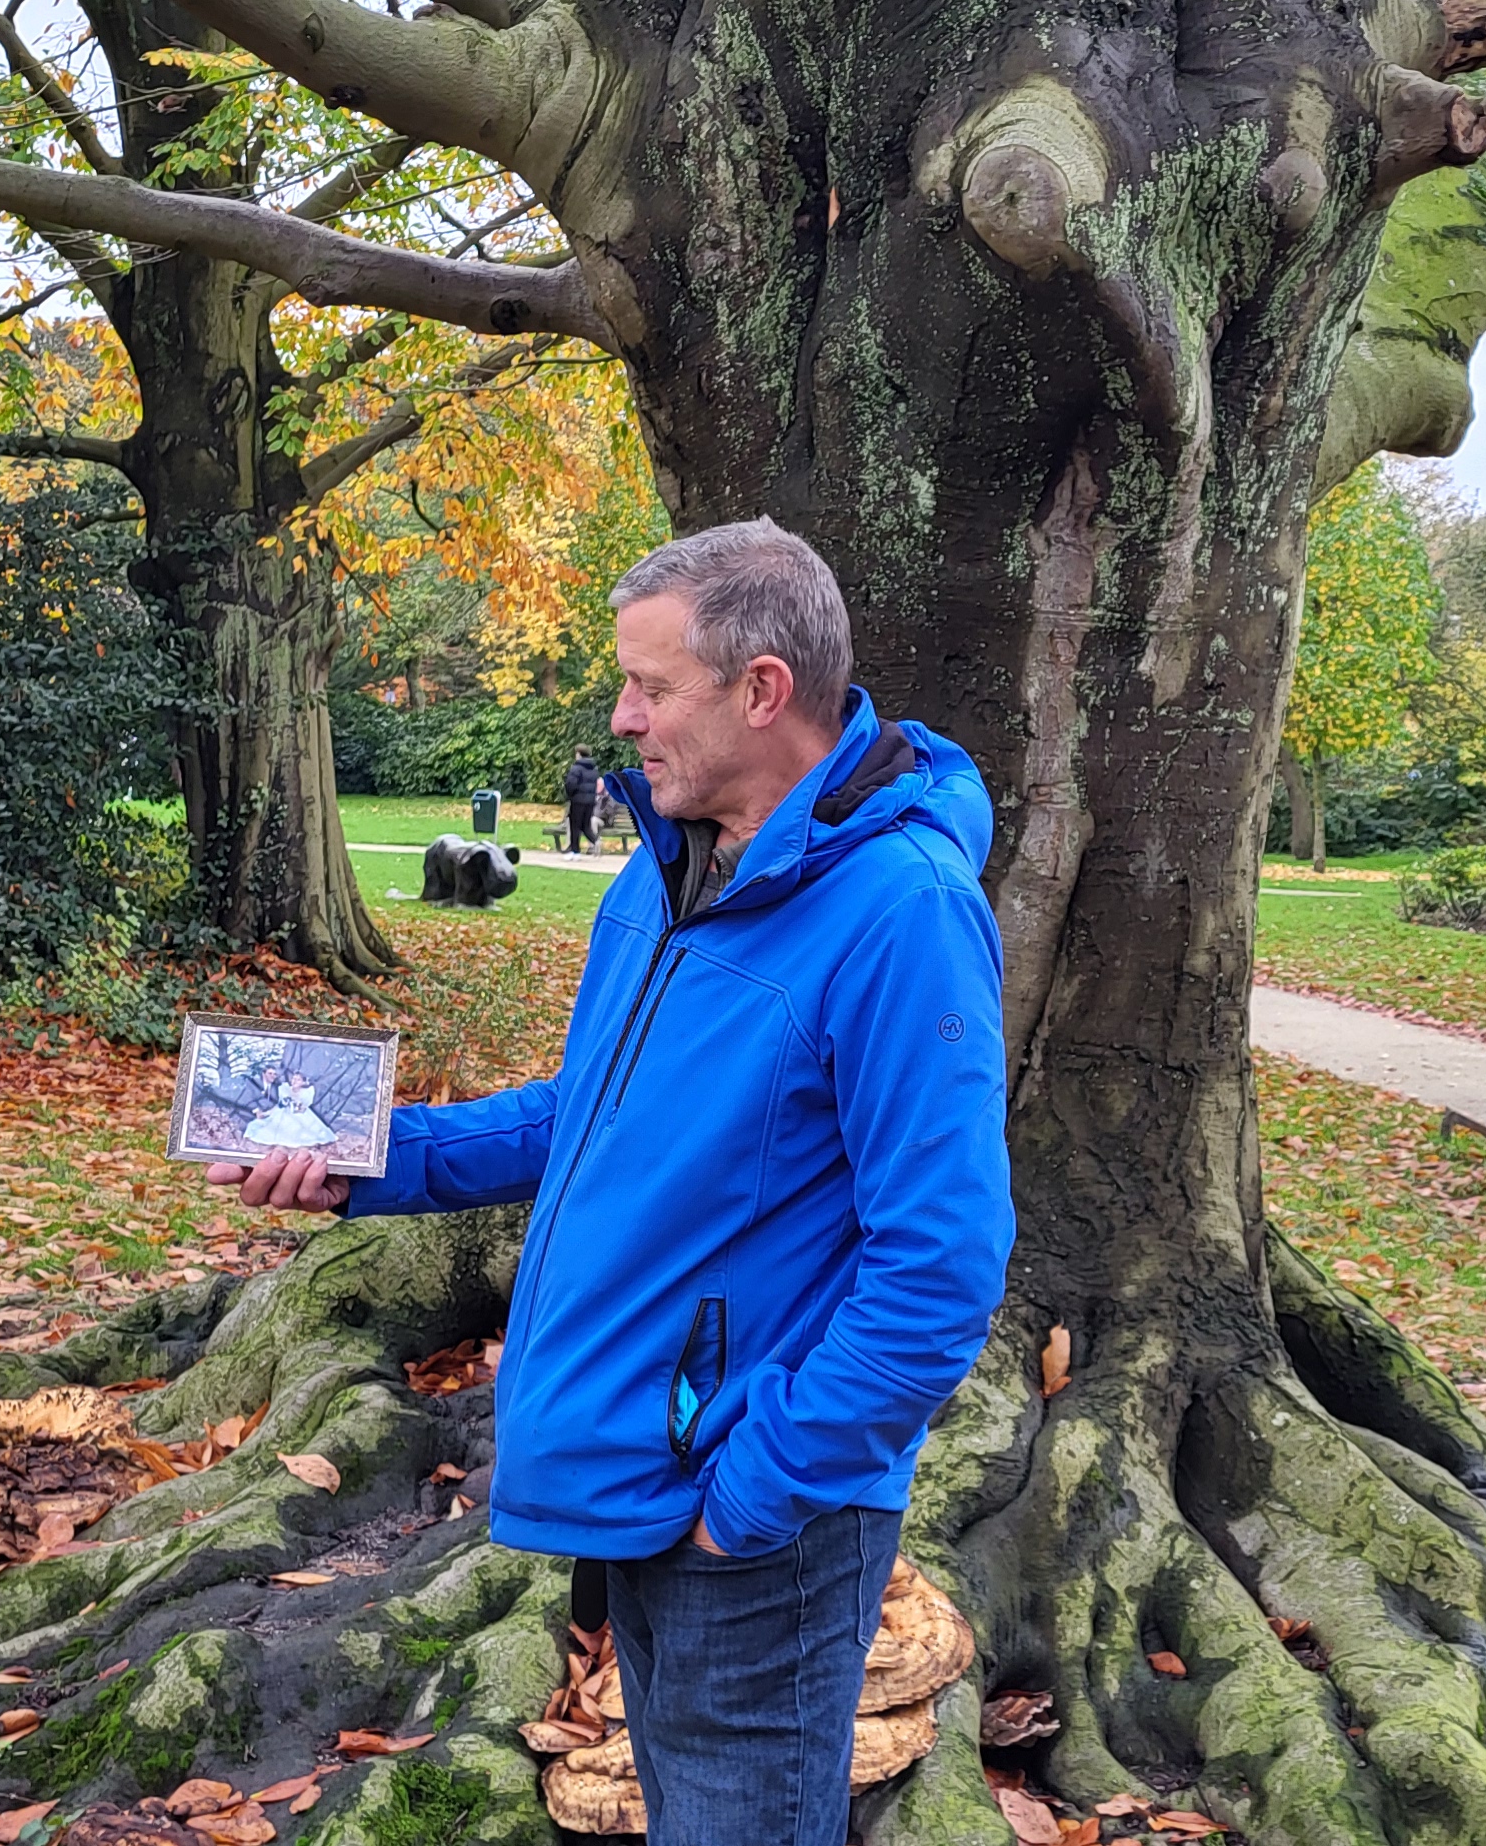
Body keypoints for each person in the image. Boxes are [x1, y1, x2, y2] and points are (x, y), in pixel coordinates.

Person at [207, 518, 1011, 1845]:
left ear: (761, 691)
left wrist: (751, 1498)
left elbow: (941, 1269)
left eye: (651, 685)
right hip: (648, 1471)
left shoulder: (901, 913)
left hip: (754, 1508)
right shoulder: (667, 872)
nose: (623, 717)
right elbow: (593, 1118)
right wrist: (369, 1160)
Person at [561, 745, 606, 854]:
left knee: (575, 826)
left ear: (578, 754)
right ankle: (596, 840)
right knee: (585, 826)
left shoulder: (576, 768)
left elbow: (571, 784)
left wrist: (569, 795)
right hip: (590, 802)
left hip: (577, 800)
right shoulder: (593, 769)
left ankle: (575, 851)